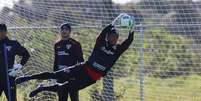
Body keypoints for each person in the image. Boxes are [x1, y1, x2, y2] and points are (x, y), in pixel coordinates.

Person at [15, 24, 134, 100]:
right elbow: (102, 34)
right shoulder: (100, 44)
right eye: (111, 36)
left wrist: (131, 29)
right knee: (54, 74)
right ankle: (27, 78)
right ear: (107, 37)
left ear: (117, 39)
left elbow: (128, 41)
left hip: (91, 78)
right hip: (83, 68)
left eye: (115, 37)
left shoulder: (117, 50)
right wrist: (110, 25)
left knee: (65, 89)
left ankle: (42, 88)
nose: (113, 38)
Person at [53, 23, 84, 101]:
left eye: (66, 29)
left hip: (72, 77)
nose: (64, 31)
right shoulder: (57, 44)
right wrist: (54, 75)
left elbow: (81, 61)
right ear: (60, 31)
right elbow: (56, 60)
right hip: (61, 76)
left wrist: (79, 75)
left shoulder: (75, 44)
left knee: (74, 98)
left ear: (70, 31)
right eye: (62, 29)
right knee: (62, 98)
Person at [0, 23, 30, 101]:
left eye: (2, 31)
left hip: (9, 78)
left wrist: (19, 66)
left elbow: (26, 54)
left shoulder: (13, 44)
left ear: (6, 32)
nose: (0, 33)